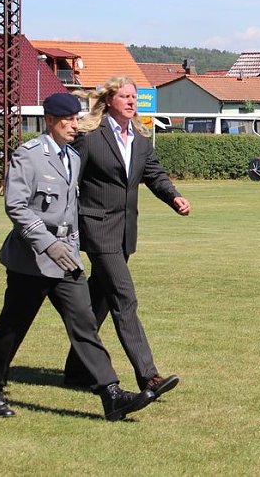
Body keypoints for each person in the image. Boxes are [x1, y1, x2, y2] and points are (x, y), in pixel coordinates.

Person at [0, 92, 155, 421]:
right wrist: (47, 244)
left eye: (77, 119)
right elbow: (16, 206)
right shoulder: (28, 155)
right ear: (50, 121)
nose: (76, 125)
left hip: (66, 260)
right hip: (30, 261)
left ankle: (111, 393)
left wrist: (72, 247)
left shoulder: (72, 158)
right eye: (69, 120)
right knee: (13, 327)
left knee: (85, 324)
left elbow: (70, 210)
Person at [63, 77, 189, 399]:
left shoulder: (141, 140)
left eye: (134, 97)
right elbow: (68, 180)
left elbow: (154, 175)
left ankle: (77, 370)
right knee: (124, 299)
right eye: (125, 96)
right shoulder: (91, 136)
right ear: (110, 100)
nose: (132, 102)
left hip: (125, 232)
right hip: (97, 229)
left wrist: (174, 197)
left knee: (98, 302)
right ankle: (148, 376)